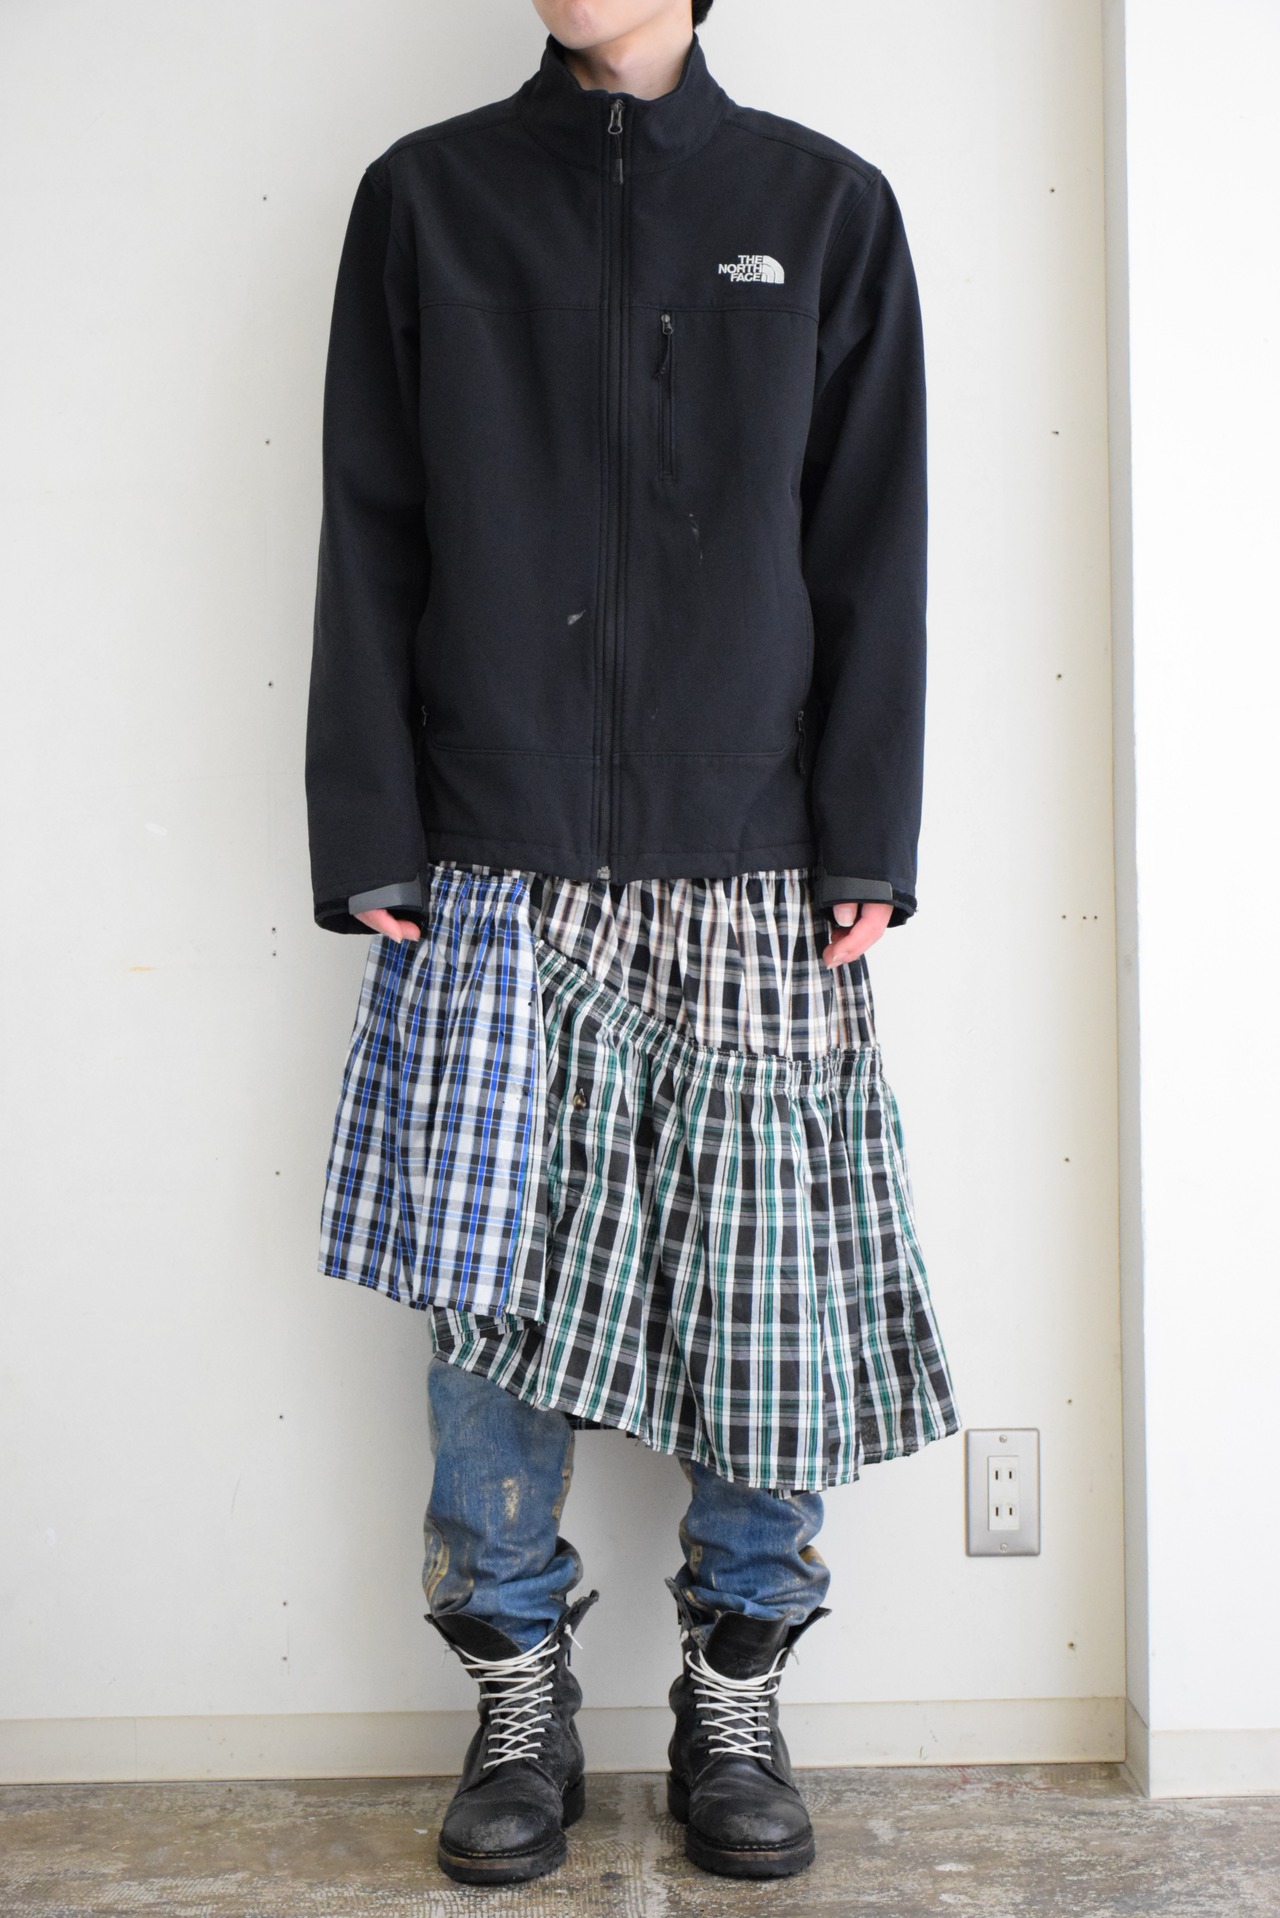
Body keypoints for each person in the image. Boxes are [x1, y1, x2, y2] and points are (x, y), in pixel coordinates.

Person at [305, 0, 959, 1886]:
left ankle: (735, 1689)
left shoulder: (822, 210)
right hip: (494, 843)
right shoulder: (427, 199)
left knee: (768, 1304)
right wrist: (368, 821)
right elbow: (369, 525)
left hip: (755, 848)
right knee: (491, 1303)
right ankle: (517, 1694)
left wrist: (869, 836)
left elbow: (875, 543)